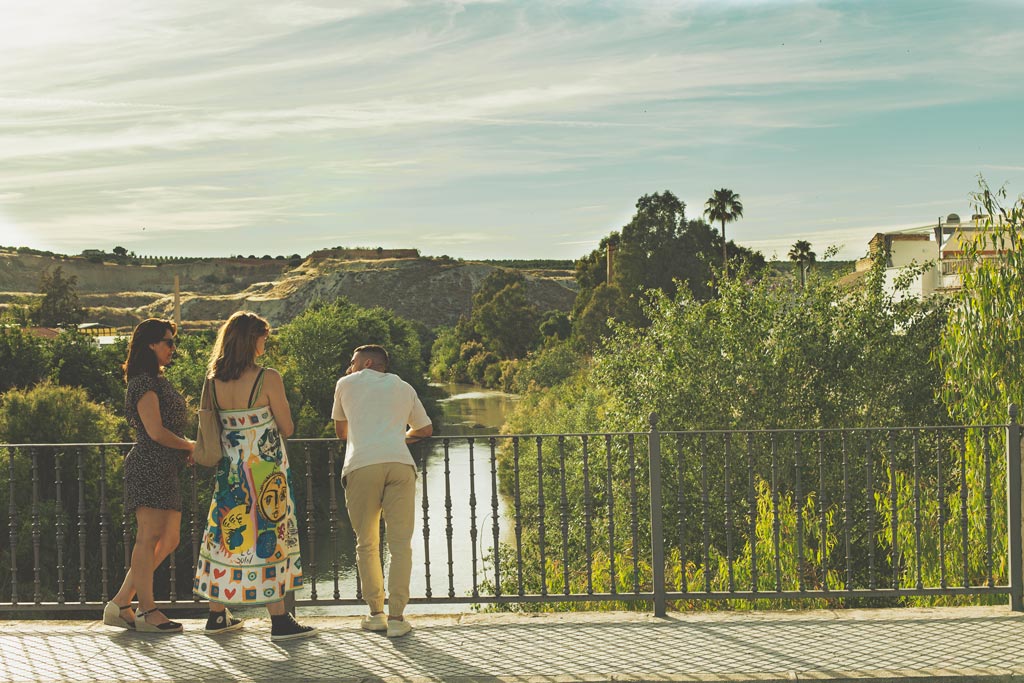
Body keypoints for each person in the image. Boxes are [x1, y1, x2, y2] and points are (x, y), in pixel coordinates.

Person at [193, 311, 315, 641]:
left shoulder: (213, 379)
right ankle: (280, 621)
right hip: (264, 470)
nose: (265, 344)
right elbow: (287, 427)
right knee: (267, 537)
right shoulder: (268, 377)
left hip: (230, 470)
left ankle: (217, 615)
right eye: (263, 338)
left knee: (228, 535)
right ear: (252, 340)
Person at [332, 344, 433, 638]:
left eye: (352, 362)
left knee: (367, 543)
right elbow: (424, 429)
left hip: (362, 465)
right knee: (401, 544)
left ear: (365, 363)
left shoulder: (345, 384)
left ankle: (376, 614)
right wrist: (397, 436)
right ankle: (398, 618)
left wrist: (369, 433)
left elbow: (341, 432)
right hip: (400, 464)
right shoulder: (403, 386)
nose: (349, 367)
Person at [104, 318, 193, 633]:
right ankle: (147, 610)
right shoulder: (143, 382)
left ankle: (121, 602)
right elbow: (155, 431)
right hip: (149, 465)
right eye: (168, 342)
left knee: (169, 538)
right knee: (148, 538)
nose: (173, 348)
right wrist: (189, 445)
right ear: (151, 345)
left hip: (166, 467)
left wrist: (182, 450)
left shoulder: (157, 380)